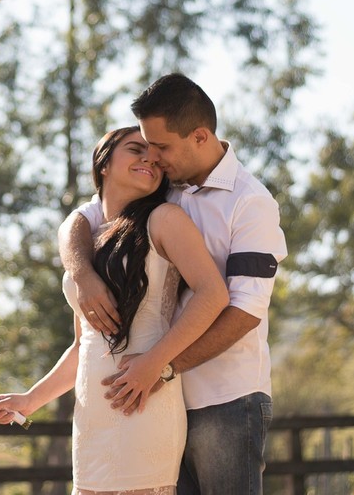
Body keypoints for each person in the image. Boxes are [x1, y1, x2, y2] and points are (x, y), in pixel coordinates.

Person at [64, 73, 287, 495]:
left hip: (226, 399)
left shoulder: (250, 202)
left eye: (161, 147)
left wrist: (163, 366)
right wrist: (82, 273)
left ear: (200, 136)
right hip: (159, 399)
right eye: (147, 147)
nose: (154, 157)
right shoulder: (162, 186)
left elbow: (245, 311)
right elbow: (82, 219)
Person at [0, 126, 230, 495]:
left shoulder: (164, 219)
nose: (149, 158)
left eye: (155, 157)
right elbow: (83, 345)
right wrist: (30, 399)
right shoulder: (88, 238)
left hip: (143, 402)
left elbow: (213, 295)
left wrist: (155, 363)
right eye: (135, 149)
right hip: (90, 419)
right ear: (103, 163)